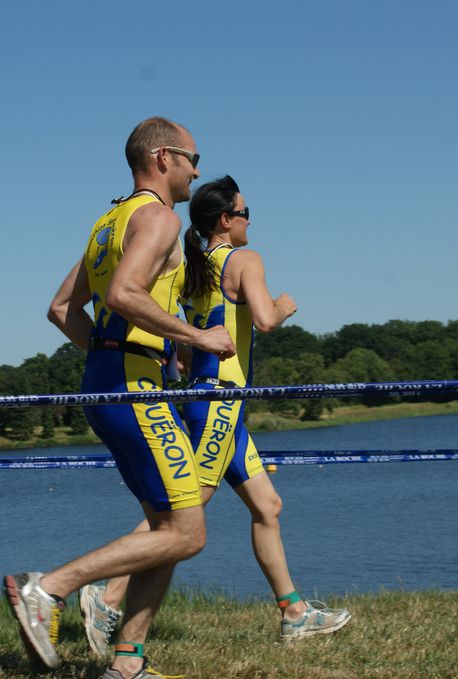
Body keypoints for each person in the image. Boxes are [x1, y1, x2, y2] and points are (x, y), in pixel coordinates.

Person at [78, 175, 351, 657]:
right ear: (226, 220)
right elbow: (263, 320)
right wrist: (285, 308)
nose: (250, 223)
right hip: (222, 399)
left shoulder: (193, 264)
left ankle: (293, 612)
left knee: (267, 506)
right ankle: (108, 593)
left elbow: (182, 344)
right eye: (246, 214)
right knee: (186, 507)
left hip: (211, 397)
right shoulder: (246, 260)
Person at [5, 117, 235, 679]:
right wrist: (195, 336)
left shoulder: (109, 222)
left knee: (166, 528)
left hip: (108, 382)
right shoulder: (157, 217)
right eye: (191, 157)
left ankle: (128, 663)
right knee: (188, 531)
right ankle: (48, 589)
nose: (197, 170)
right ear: (162, 157)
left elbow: (63, 309)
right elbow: (125, 292)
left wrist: (110, 352)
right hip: (134, 390)